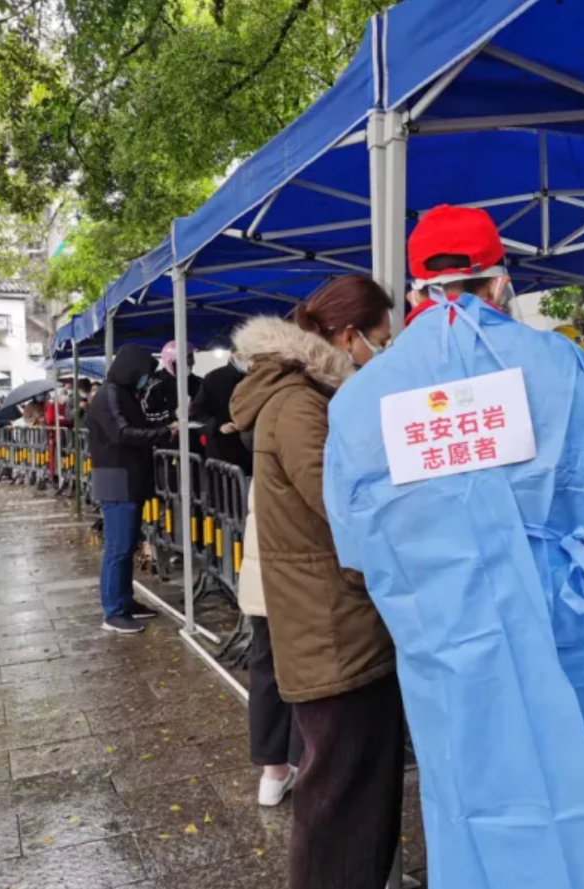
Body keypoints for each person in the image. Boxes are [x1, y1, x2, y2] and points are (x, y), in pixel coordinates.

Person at [323, 206, 584, 889]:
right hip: (559, 616)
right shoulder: (561, 363)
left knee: (467, 795)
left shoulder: (363, 396)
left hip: (444, 628)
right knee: (583, 785)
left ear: (415, 290)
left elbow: (356, 540)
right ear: (500, 283)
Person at [230, 276, 401, 889]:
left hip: (332, 617)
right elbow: (344, 503)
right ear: (348, 336)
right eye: (380, 341)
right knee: (340, 794)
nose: (382, 352)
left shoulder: (302, 395)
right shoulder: (302, 404)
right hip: (333, 626)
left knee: (351, 784)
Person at [88, 345, 176, 633]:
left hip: (128, 479)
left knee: (127, 546)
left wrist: (163, 425)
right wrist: (164, 432)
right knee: (118, 548)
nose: (144, 380)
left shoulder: (123, 394)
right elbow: (123, 433)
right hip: (117, 480)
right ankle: (113, 611)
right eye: (142, 374)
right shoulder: (109, 395)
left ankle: (126, 601)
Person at [238, 480, 304, 807]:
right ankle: (298, 764)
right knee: (306, 667)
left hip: (263, 573)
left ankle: (273, 773)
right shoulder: (299, 430)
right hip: (295, 575)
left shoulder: (264, 432)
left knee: (266, 667)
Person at [194, 353, 252, 474]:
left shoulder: (257, 378)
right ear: (234, 355)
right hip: (222, 451)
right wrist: (219, 425)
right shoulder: (214, 378)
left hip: (253, 449)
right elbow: (198, 412)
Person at [143, 340, 201, 428]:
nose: (190, 364)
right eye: (186, 361)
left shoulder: (198, 382)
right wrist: (173, 414)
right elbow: (145, 417)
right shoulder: (155, 385)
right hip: (165, 438)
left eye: (191, 360)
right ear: (171, 363)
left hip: (194, 435)